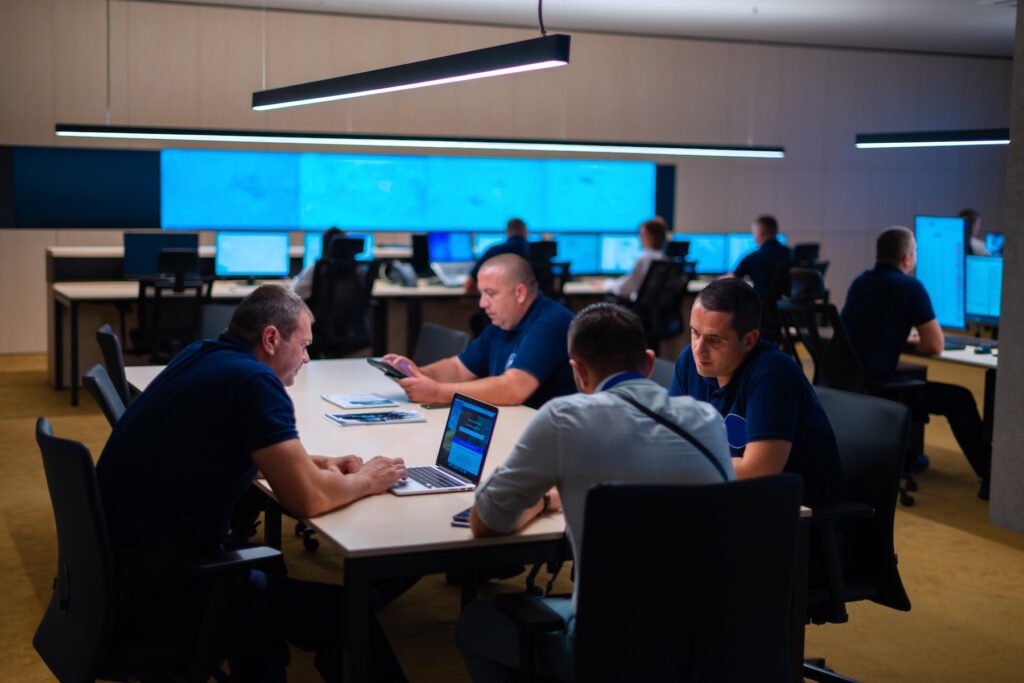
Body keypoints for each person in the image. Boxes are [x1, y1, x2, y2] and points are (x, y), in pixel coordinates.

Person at [96, 285, 408, 682]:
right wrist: (367, 480)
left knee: (272, 564)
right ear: (271, 339)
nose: (308, 358)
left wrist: (316, 462)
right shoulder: (254, 382)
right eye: (304, 345)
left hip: (124, 579)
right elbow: (306, 500)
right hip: (171, 591)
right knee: (346, 613)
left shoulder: (202, 355)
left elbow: (223, 448)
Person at [455, 303, 733, 682]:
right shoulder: (707, 420)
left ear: (578, 371)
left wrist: (541, 501)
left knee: (477, 620)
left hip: (607, 648)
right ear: (649, 363)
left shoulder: (564, 418)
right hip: (710, 642)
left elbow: (485, 522)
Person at [668, 278, 845, 509]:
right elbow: (669, 440)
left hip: (796, 519)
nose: (699, 349)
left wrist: (681, 464)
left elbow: (759, 471)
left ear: (749, 340)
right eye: (695, 333)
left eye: (714, 339)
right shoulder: (690, 362)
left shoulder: (772, 373)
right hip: (730, 498)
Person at [841, 226, 992, 499]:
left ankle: (907, 456)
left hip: (853, 385)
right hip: (881, 386)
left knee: (918, 377)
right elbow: (935, 345)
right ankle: (990, 475)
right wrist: (912, 339)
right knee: (960, 398)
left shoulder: (859, 282)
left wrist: (900, 337)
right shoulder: (910, 286)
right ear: (908, 258)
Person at [383, 254, 575, 409]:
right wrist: (417, 374)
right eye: (482, 294)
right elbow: (459, 368)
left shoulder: (550, 323)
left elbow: (514, 388)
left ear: (520, 293)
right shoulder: (503, 323)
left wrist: (438, 392)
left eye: (490, 294)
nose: (482, 303)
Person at [602, 218, 668, 301]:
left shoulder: (644, 259)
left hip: (637, 309)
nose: (640, 237)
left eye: (642, 234)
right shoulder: (664, 258)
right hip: (654, 309)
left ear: (651, 237)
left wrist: (607, 285)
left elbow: (626, 289)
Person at [729, 214, 792, 299]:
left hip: (761, 307)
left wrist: (714, 281)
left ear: (760, 233)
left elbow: (732, 278)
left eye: (754, 233)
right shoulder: (791, 253)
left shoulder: (753, 258)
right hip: (786, 306)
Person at [465, 217, 530, 292]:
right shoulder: (539, 251)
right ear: (525, 232)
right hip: (536, 301)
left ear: (507, 233)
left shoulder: (494, 251)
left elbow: (469, 284)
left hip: (504, 302)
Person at [293, 226, 343, 299]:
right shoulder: (359, 271)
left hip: (318, 310)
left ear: (324, 246)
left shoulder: (317, 269)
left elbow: (296, 293)